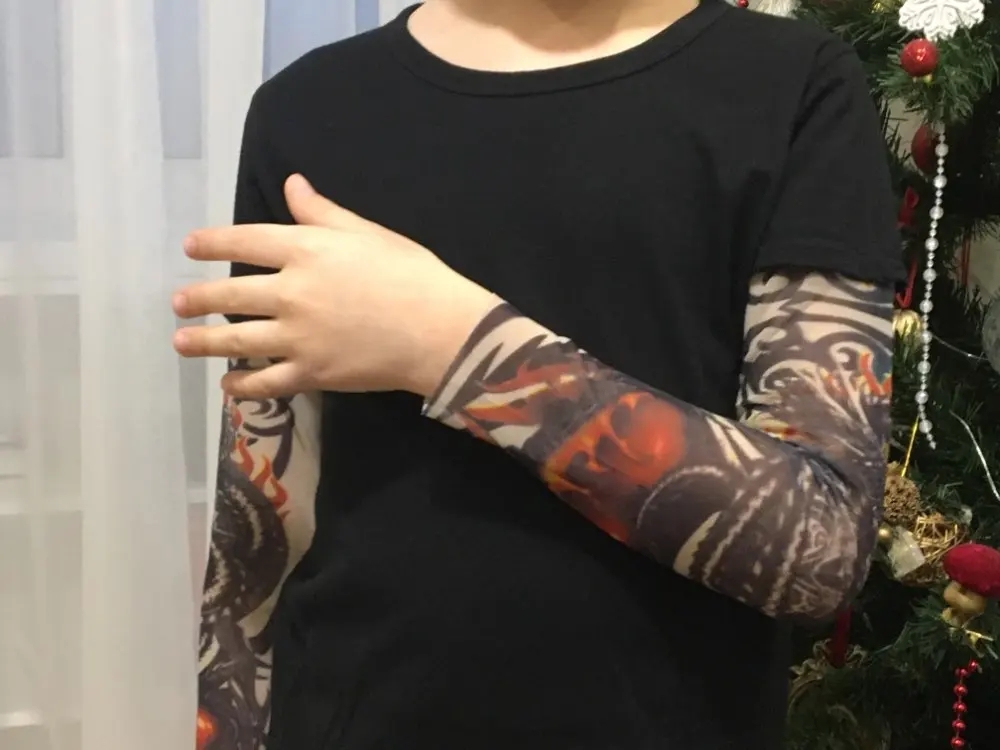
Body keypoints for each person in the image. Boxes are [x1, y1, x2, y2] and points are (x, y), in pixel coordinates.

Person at [175, 0, 904, 748]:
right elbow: (257, 534)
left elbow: (822, 546)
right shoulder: (308, 107)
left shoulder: (790, 86)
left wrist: (449, 347)